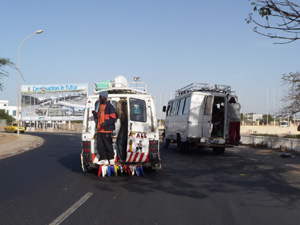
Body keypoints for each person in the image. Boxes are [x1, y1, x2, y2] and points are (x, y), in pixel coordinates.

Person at [92, 91, 116, 165]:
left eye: (100, 97)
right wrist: (95, 114)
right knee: (100, 146)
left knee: (108, 145)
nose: (99, 98)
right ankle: (104, 159)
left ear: (104, 97)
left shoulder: (110, 106)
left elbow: (113, 119)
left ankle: (111, 159)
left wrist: (105, 124)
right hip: (100, 130)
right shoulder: (100, 106)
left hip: (106, 130)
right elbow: (99, 116)